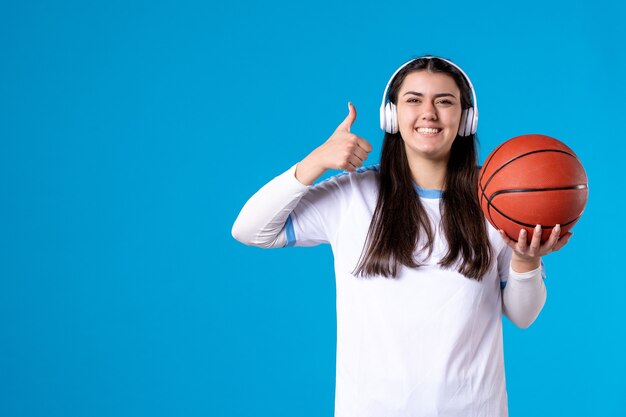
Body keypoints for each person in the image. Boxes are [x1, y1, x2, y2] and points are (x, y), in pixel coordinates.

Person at [231, 55, 571, 417]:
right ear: (391, 115)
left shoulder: (496, 201)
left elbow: (523, 315)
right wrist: (315, 161)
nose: (429, 113)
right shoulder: (352, 195)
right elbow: (250, 229)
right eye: (413, 100)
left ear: (466, 118)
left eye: (444, 101)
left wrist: (526, 260)